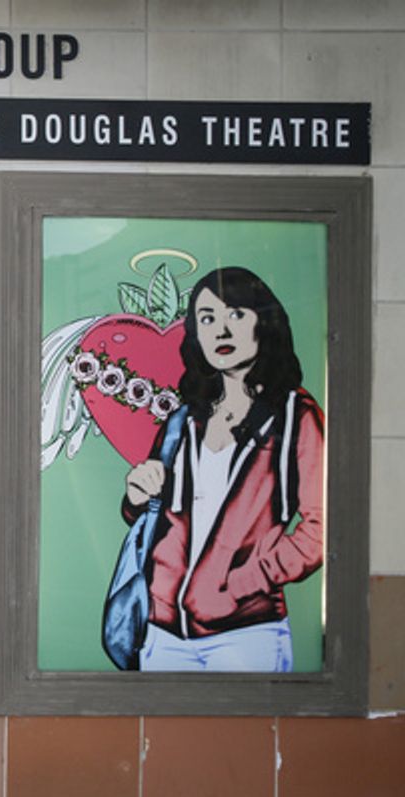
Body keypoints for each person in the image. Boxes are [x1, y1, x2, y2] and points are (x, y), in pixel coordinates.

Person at [122, 266, 324, 671]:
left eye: (237, 314)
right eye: (208, 318)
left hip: (247, 633)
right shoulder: (185, 419)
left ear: (263, 323)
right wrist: (136, 496)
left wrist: (244, 583)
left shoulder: (294, 415)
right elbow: (151, 517)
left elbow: (322, 529)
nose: (222, 331)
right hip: (162, 631)